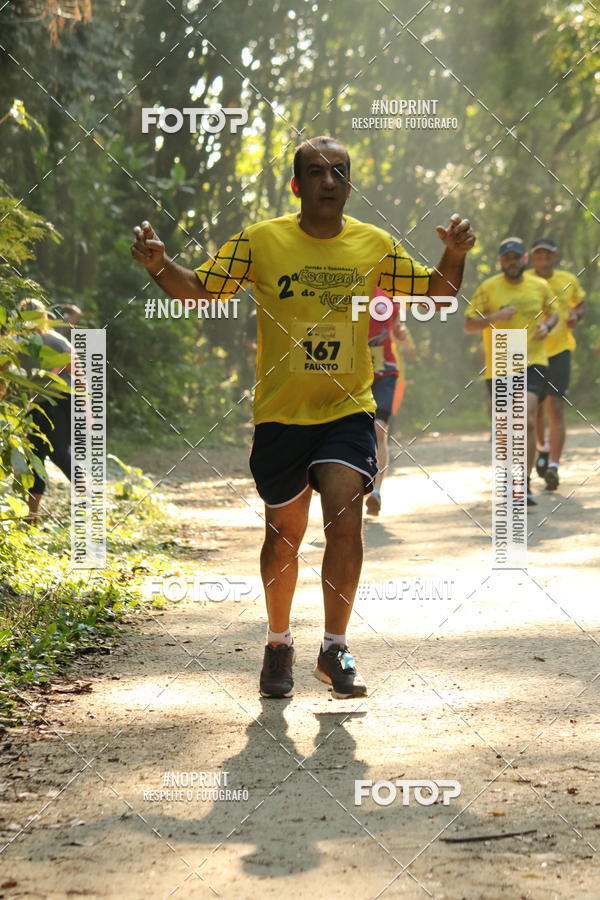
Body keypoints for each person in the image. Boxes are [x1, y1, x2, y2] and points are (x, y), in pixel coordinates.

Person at [131, 135, 476, 699]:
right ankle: (278, 644)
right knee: (284, 536)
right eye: (315, 171)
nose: (328, 180)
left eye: (338, 171)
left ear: (348, 184)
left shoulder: (374, 245)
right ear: (297, 185)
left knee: (346, 517)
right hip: (281, 415)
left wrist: (455, 254)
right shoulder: (260, 241)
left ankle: (335, 646)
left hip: (347, 408)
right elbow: (199, 289)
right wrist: (159, 264)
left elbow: (436, 294)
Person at [465, 237, 557, 506]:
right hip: (501, 363)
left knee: (527, 420)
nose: (512, 261)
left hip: (533, 361)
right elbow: (469, 324)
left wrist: (547, 327)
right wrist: (494, 318)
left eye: (516, 257)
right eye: (507, 258)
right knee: (504, 428)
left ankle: (523, 483)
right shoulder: (488, 287)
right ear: (500, 261)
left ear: (524, 259)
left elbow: (553, 314)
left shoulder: (539, 285)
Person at [530, 237, 586, 491]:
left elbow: (580, 304)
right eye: (538, 255)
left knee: (557, 407)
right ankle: (542, 449)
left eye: (547, 254)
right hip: (533, 353)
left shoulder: (568, 280)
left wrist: (576, 315)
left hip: (561, 350)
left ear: (555, 256)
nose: (543, 259)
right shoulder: (526, 280)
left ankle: (553, 465)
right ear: (533, 257)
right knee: (536, 410)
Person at [16, 298, 73, 522]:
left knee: (59, 452)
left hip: (61, 400)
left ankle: (90, 500)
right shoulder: (18, 343)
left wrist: (88, 409)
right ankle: (33, 515)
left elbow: (77, 371)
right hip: (35, 403)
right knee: (35, 456)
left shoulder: (56, 341)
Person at [365, 288, 412, 516]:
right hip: (350, 372)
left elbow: (398, 327)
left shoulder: (392, 292)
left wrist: (401, 331)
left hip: (384, 372)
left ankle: (375, 492)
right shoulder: (345, 282)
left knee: (380, 430)